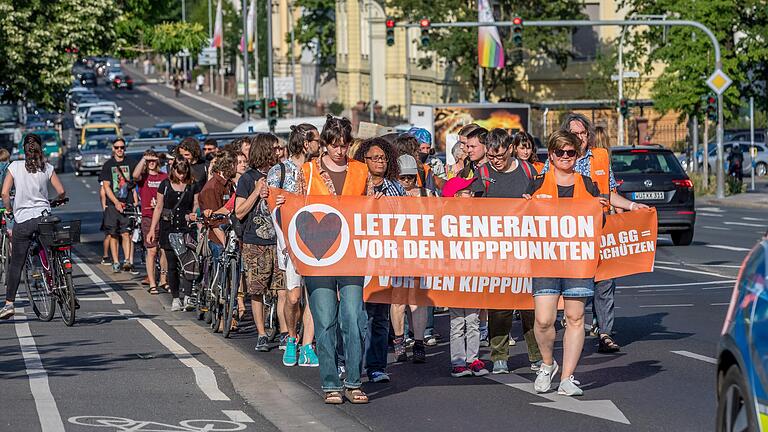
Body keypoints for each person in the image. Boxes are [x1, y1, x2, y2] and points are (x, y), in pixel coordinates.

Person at [546, 113, 647, 353]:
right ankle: (572, 318)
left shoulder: (600, 157)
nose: (581, 138)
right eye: (575, 134)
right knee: (574, 281)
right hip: (569, 233)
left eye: (583, 133)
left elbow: (608, 192)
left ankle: (605, 332)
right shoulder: (558, 159)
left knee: (605, 281)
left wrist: (632, 206)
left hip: (599, 229)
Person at [523, 130, 608, 396]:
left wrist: (614, 207)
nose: (565, 157)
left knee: (575, 317)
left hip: (577, 262)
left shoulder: (587, 183)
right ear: (551, 154)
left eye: (571, 152)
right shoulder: (537, 184)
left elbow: (599, 218)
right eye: (560, 152)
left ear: (577, 155)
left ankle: (568, 377)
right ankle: (547, 364)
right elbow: (523, 218)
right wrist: (526, 207)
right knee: (544, 320)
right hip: (546, 261)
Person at [299, 115, 369, 404]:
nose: (340, 151)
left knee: (353, 319)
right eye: (335, 145)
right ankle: (330, 383)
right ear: (324, 145)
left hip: (352, 254)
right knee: (325, 320)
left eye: (345, 145)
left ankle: (353, 381)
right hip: (319, 254)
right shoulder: (307, 171)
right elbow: (294, 207)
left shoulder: (360, 170)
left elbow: (371, 207)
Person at [470, 128, 542, 375]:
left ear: (511, 149)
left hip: (527, 248)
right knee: (499, 304)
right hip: (496, 250)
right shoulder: (483, 172)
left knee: (530, 305)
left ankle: (537, 355)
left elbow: (545, 200)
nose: (496, 161)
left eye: (500, 155)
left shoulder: (529, 170)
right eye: (491, 156)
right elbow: (470, 205)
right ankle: (499, 355)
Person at [352, 137, 409, 382]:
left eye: (383, 158)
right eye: (374, 158)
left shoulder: (395, 188)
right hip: (359, 258)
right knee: (356, 315)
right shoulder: (355, 185)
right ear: (363, 160)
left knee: (379, 316)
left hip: (385, 258)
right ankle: (350, 364)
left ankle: (376, 367)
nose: (379, 162)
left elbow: (405, 218)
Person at [268, 123, 321, 368]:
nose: (320, 145)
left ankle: (307, 345)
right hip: (287, 243)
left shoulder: (318, 170)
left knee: (313, 295)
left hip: (316, 241)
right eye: (316, 141)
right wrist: (275, 203)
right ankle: (291, 336)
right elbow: (268, 209)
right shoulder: (279, 171)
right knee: (293, 296)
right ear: (304, 143)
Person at [1, 134, 66, 319]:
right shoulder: (47, 167)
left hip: (24, 220)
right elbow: (61, 191)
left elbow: (5, 193)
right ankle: (61, 283)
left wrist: (9, 210)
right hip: (45, 217)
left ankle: (9, 304)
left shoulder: (14, 167)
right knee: (51, 246)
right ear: (40, 148)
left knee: (16, 263)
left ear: (24, 149)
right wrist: (55, 200)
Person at [235, 133, 287, 352]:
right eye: (274, 148)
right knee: (258, 290)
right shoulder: (248, 179)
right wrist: (257, 191)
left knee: (283, 289)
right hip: (255, 241)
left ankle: (285, 333)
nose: (278, 152)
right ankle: (262, 334)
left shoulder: (282, 174)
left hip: (279, 241)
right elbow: (238, 212)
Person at [442, 176, 486, 377]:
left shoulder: (477, 218)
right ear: (456, 196)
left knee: (473, 319)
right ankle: (458, 361)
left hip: (473, 273)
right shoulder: (445, 220)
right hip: (454, 276)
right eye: (468, 191)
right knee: (458, 321)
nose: (472, 194)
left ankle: (473, 358)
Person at [147, 159, 200, 311]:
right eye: (179, 173)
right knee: (172, 265)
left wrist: (193, 215)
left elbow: (196, 204)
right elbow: (158, 207)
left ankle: (189, 296)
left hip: (186, 229)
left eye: (184, 173)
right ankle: (176, 298)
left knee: (189, 262)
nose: (182, 176)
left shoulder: (192, 185)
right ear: (173, 170)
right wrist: (152, 229)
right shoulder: (165, 185)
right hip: (168, 229)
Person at [99, 138, 137, 274]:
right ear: (113, 149)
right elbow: (106, 186)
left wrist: (135, 201)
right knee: (113, 234)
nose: (119, 149)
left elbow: (134, 185)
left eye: (122, 147)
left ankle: (127, 260)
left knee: (126, 233)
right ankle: (116, 261)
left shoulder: (131, 163)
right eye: (117, 147)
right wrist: (115, 202)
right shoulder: (108, 165)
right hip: (112, 205)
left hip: (127, 204)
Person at [133, 149, 168, 295]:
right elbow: (135, 176)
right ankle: (152, 282)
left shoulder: (164, 177)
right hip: (148, 216)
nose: (151, 163)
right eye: (149, 161)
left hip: (163, 217)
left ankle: (163, 280)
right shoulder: (143, 177)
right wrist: (144, 159)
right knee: (152, 250)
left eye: (153, 160)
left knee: (164, 250)